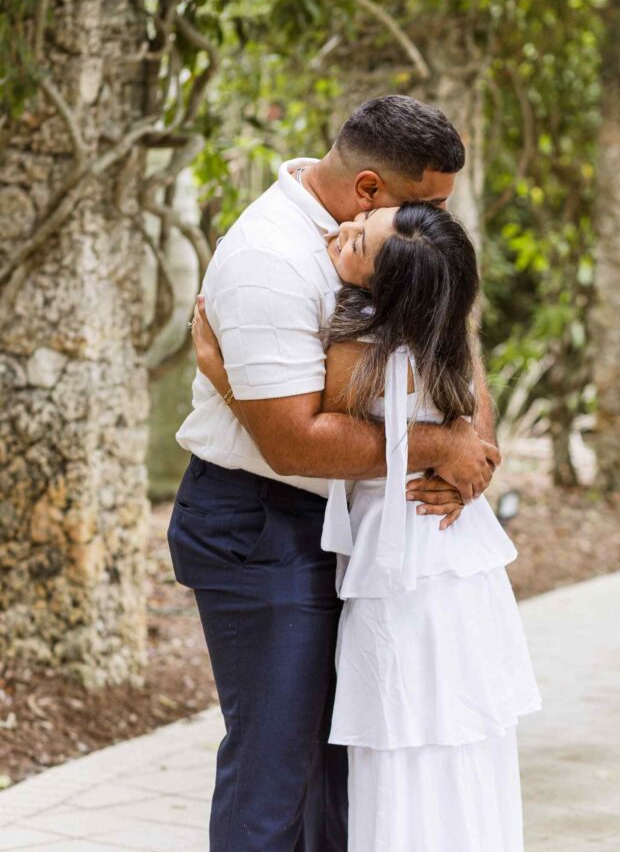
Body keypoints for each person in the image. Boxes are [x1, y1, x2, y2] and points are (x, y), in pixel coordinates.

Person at [168, 95, 502, 852]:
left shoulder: (391, 244)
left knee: (346, 771)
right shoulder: (270, 258)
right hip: (262, 521)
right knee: (278, 772)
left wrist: (470, 448)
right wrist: (435, 447)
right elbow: (292, 443)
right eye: (429, 205)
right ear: (370, 191)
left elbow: (452, 330)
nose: (439, 229)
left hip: (354, 528)